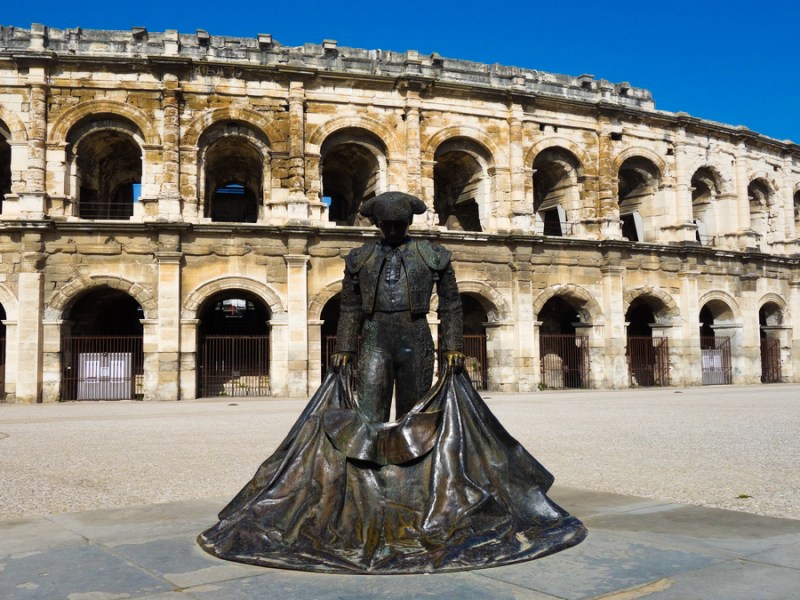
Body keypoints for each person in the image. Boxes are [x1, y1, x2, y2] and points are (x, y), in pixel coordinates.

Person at [331, 191, 465, 422]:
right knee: (370, 412)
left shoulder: (433, 254)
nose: (393, 231)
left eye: (398, 225)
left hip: (415, 335)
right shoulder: (360, 257)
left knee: (412, 414)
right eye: (387, 225)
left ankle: (409, 459)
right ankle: (372, 457)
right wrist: (345, 347)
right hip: (375, 336)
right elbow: (349, 306)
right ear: (378, 224)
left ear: (409, 222)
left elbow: (451, 302)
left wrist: (452, 345)